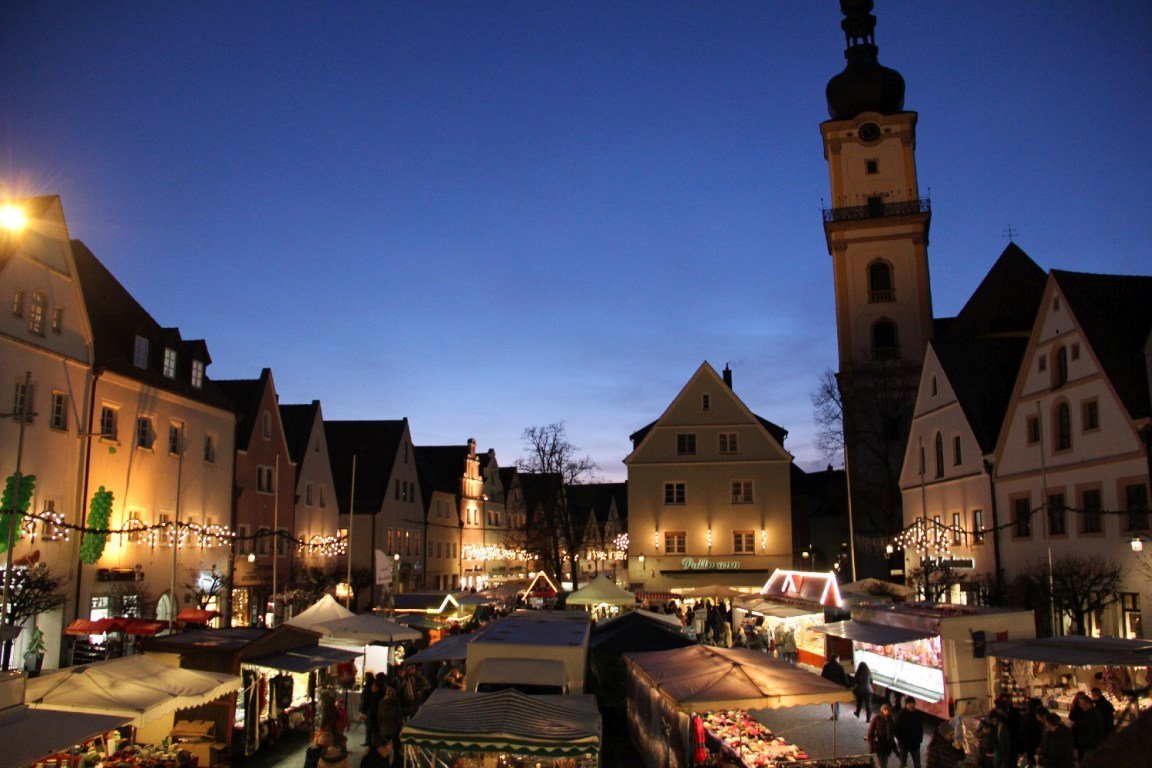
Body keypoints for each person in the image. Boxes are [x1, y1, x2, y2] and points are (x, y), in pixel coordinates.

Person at [1071, 690, 1104, 759]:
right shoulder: (1092, 713)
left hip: (1089, 745)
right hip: (1091, 743)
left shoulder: (1090, 715)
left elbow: (1087, 730)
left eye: (1081, 704)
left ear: (1086, 704)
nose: (1080, 706)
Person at [893, 696, 924, 768]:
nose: (912, 705)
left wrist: (919, 739)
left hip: (915, 744)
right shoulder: (901, 715)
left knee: (917, 764)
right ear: (906, 704)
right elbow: (895, 730)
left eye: (913, 703)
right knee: (903, 764)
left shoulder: (917, 714)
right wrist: (901, 739)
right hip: (904, 744)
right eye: (910, 704)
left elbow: (920, 728)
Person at [377, 682, 404, 759]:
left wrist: (380, 726)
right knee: (396, 747)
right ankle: (396, 761)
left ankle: (384, 760)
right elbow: (398, 716)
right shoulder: (396, 702)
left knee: (384, 746)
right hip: (394, 728)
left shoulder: (381, 702)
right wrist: (400, 727)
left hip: (384, 728)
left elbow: (379, 716)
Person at [867, 702, 898, 768]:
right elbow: (870, 733)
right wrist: (872, 745)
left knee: (884, 764)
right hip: (878, 746)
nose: (887, 711)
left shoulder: (890, 720)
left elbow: (891, 736)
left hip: (886, 747)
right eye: (885, 710)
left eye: (888, 710)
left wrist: (895, 750)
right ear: (882, 710)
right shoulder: (877, 718)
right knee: (879, 765)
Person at [821, 654, 851, 720]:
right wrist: (847, 685)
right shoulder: (840, 667)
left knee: (833, 700)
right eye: (838, 659)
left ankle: (835, 714)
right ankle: (836, 713)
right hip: (838, 686)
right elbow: (844, 677)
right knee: (836, 699)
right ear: (836, 659)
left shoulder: (826, 666)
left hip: (830, 686)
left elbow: (823, 676)